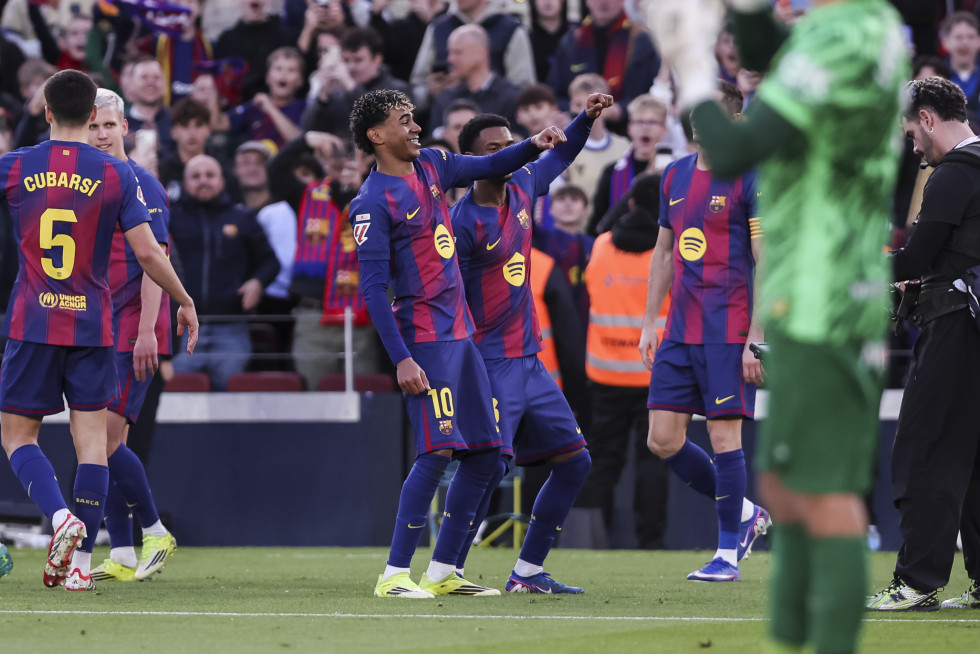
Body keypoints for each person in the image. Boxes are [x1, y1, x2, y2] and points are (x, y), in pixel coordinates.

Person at [647, 0, 908, 650]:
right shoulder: (851, 26)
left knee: (821, 495)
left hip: (825, 297)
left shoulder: (844, 33)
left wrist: (692, 68)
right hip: (814, 294)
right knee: (788, 490)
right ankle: (788, 640)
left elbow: (734, 148)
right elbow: (776, 54)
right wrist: (742, 15)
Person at [350, 89, 566, 598]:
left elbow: (494, 161)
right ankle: (394, 575)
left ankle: (444, 571)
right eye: (404, 122)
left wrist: (535, 143)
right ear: (377, 136)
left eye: (414, 118)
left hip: (464, 338)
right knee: (437, 449)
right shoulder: (371, 202)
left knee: (490, 454)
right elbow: (373, 290)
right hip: (425, 340)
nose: (416, 128)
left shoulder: (433, 166)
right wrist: (400, 357)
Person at [0, 69, 198, 592]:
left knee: (18, 435)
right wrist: (184, 301)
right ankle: (81, 568)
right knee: (93, 444)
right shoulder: (116, 175)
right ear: (92, 117)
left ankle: (62, 519)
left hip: (33, 320)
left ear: (44, 112)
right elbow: (149, 252)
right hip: (93, 326)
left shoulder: (16, 166)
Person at [450, 93, 612, 592]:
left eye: (509, 143)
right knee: (488, 463)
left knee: (576, 461)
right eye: (494, 148)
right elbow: (444, 293)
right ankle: (446, 570)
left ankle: (528, 571)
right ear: (477, 160)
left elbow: (561, 155)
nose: (508, 152)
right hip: (490, 360)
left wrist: (585, 118)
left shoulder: (524, 185)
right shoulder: (462, 221)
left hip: (531, 360)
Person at [640, 82, 769, 581]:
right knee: (663, 440)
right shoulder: (673, 174)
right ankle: (744, 513)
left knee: (722, 436)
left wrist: (755, 337)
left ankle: (727, 554)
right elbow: (665, 253)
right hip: (678, 330)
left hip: (728, 328)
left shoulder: (752, 178)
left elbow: (767, 259)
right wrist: (651, 319)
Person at [867, 77, 980, 611]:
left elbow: (914, 258)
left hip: (956, 327)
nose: (911, 143)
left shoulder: (955, 173)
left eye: (910, 130)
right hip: (971, 325)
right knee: (972, 457)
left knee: (925, 451)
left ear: (929, 118)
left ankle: (917, 581)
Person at [85, 88, 178, 583]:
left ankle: (155, 530)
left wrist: (147, 331)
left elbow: (154, 262)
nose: (100, 134)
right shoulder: (88, 185)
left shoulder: (143, 184)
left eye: (108, 125)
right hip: (97, 327)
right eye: (92, 126)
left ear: (125, 128)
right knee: (99, 443)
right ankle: (121, 552)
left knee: (105, 439)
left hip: (133, 327)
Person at [579, 172, 670, 549]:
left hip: (604, 372)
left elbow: (604, 222)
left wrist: (630, 202)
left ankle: (596, 540)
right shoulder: (669, 254)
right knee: (653, 460)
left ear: (630, 204)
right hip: (654, 371)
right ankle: (651, 543)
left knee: (602, 461)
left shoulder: (601, 246)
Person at [169, 155, 279, 390]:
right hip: (182, 328)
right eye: (196, 176)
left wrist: (257, 283)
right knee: (178, 400)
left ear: (222, 180)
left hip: (231, 327)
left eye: (210, 175)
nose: (203, 181)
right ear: (185, 182)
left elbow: (271, 262)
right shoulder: (170, 218)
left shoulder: (243, 217)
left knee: (230, 404)